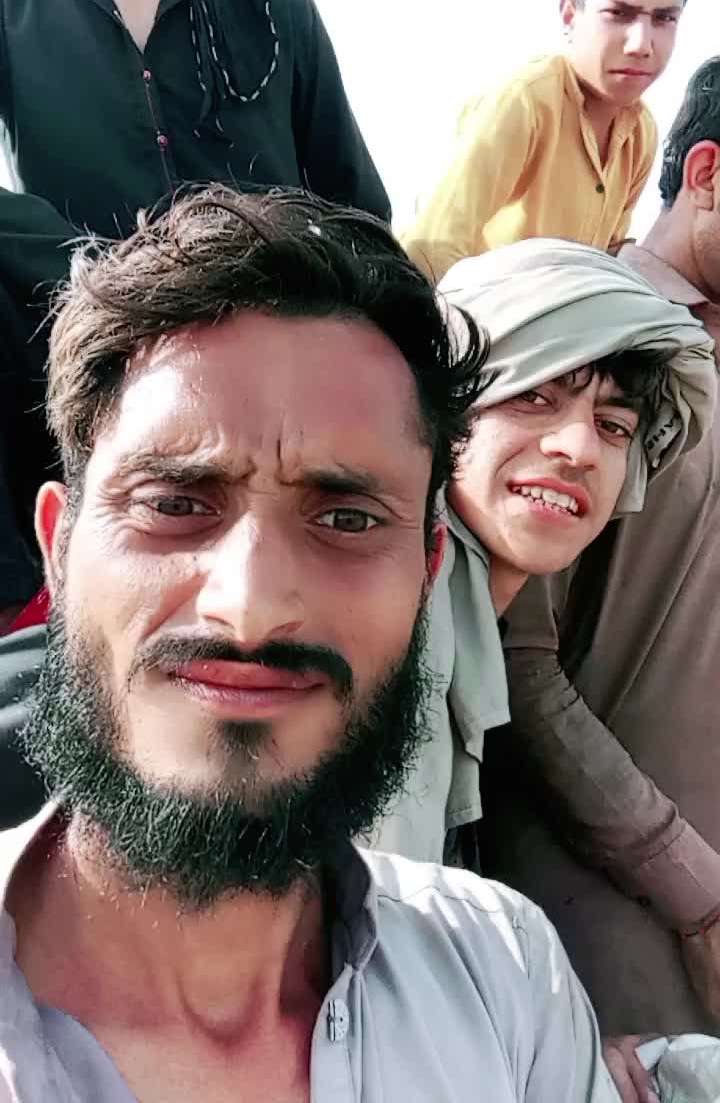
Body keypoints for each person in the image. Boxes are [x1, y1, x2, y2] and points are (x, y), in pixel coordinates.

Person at [0, 186, 619, 1101]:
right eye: (175, 503)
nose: (250, 612)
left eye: (345, 518)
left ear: (426, 573)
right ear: (59, 548)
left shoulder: (508, 981)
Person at [0, 0, 389, 629]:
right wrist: (103, 278)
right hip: (89, 397)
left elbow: (363, 224)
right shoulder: (8, 4)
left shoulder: (277, 8)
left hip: (279, 415)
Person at [478, 59, 720, 1079]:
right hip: (606, 919)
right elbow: (510, 656)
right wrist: (694, 888)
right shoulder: (573, 331)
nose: (587, 434)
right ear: (707, 172)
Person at [369, 240, 715, 865]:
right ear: (449, 405)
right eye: (533, 396)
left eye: (614, 426)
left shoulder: (459, 634)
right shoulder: (388, 639)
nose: (579, 448)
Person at [403, 0, 697, 283]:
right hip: (472, 312)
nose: (641, 43)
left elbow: (606, 260)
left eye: (664, 19)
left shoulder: (640, 133)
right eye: (619, 14)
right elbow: (429, 248)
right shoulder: (524, 103)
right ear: (570, 17)